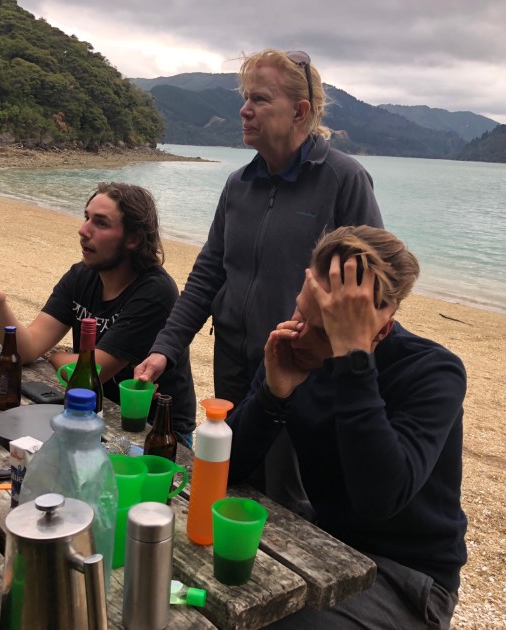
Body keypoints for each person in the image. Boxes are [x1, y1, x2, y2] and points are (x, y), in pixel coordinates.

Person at [135, 49, 383, 511]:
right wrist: (165, 347)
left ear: (300, 111)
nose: (244, 110)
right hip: (233, 359)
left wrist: (319, 349)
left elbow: (371, 287)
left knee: (289, 498)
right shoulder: (239, 183)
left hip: (300, 367)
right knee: (231, 476)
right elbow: (209, 273)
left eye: (260, 99)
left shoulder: (343, 179)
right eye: (246, 98)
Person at [227, 225, 467, 629]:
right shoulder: (296, 353)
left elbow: (379, 498)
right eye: (301, 311)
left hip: (409, 576)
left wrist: (352, 359)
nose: (300, 335)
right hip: (327, 538)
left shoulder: (433, 372)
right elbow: (228, 468)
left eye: (325, 331)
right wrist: (273, 395)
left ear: (380, 331)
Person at [0, 182, 197, 444]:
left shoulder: (154, 292)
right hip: (92, 413)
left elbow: (91, 374)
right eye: (87, 217)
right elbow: (26, 349)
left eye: (101, 223)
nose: (83, 230)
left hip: (154, 431)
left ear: (133, 238)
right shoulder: (82, 275)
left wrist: (54, 355)